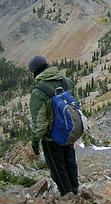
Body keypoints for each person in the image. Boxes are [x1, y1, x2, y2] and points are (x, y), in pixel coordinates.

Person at [28, 55, 79, 196]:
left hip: (51, 138)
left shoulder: (38, 91)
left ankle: (68, 198)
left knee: (58, 170)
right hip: (68, 132)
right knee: (70, 163)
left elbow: (40, 123)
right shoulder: (65, 81)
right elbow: (76, 105)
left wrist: (34, 141)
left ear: (34, 72)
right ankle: (75, 192)